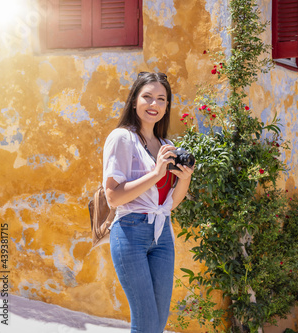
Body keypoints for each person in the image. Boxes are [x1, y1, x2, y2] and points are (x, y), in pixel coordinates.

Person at [102, 72, 194, 333]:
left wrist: (185, 178)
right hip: (130, 232)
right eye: (148, 97)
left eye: (161, 99)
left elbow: (169, 204)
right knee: (145, 323)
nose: (154, 104)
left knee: (159, 321)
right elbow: (113, 196)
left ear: (167, 107)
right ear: (134, 101)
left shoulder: (166, 145)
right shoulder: (122, 138)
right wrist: (156, 174)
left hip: (162, 235)